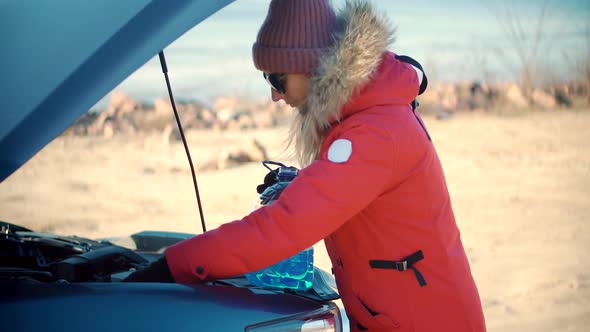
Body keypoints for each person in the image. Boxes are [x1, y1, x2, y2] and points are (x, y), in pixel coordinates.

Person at [126, 0, 487, 331]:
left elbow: (282, 229)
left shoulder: (374, 133)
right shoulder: (362, 117)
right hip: (399, 313)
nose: (273, 94)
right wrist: (303, 184)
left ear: (311, 67)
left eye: (276, 78)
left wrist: (174, 265)